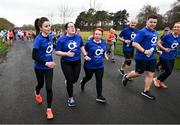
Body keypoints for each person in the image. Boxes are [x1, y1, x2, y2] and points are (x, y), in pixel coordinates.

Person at [122, 15, 158, 100]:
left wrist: (156, 50)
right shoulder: (142, 32)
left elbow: (153, 43)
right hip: (142, 57)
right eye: (151, 22)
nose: (153, 24)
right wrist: (144, 51)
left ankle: (146, 91)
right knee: (139, 73)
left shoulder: (155, 32)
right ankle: (126, 76)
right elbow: (134, 43)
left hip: (152, 57)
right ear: (147, 22)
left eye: (155, 22)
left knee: (150, 74)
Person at [55, 22, 87, 107]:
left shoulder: (78, 37)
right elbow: (57, 52)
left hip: (77, 61)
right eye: (70, 27)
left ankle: (68, 82)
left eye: (73, 26)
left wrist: (85, 54)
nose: (72, 28)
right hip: (66, 62)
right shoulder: (61, 39)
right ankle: (71, 98)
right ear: (66, 30)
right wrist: (66, 54)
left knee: (75, 79)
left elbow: (81, 46)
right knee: (70, 80)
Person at [32, 17, 56, 120]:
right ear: (41, 28)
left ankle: (49, 109)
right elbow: (34, 56)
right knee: (40, 84)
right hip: (40, 67)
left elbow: (52, 47)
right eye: (46, 26)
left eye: (49, 25)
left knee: (49, 88)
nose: (48, 27)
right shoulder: (38, 39)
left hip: (49, 67)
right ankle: (37, 92)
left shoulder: (50, 36)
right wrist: (46, 63)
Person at [80, 28, 107, 103]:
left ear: (102, 35)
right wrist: (85, 56)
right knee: (88, 77)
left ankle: (99, 96)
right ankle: (83, 82)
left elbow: (103, 50)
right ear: (93, 35)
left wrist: (105, 55)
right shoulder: (89, 43)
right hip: (89, 65)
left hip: (100, 65)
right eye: (96, 34)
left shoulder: (104, 42)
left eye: (99, 34)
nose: (98, 36)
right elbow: (84, 50)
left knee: (99, 80)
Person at [153, 22, 180, 88]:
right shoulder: (168, 36)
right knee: (168, 71)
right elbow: (158, 43)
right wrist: (164, 48)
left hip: (172, 56)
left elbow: (177, 45)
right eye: (175, 26)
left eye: (178, 27)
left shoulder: (179, 37)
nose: (176, 28)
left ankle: (161, 81)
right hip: (164, 56)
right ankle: (157, 79)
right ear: (173, 28)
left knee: (169, 72)